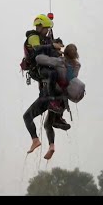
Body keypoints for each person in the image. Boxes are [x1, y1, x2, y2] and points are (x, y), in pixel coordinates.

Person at [22, 14, 64, 154]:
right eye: (45, 29)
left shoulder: (45, 39)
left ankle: (36, 139)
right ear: (39, 27)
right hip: (42, 75)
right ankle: (51, 143)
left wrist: (56, 43)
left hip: (46, 96)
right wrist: (52, 45)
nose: (46, 31)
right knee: (47, 124)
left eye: (47, 29)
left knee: (28, 117)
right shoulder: (33, 37)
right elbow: (37, 49)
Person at [36, 44, 85, 160]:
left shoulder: (59, 62)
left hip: (54, 98)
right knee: (52, 120)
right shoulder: (77, 65)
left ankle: (51, 146)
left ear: (65, 53)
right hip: (64, 100)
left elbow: (39, 59)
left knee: (47, 124)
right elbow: (71, 79)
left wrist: (48, 50)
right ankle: (60, 120)